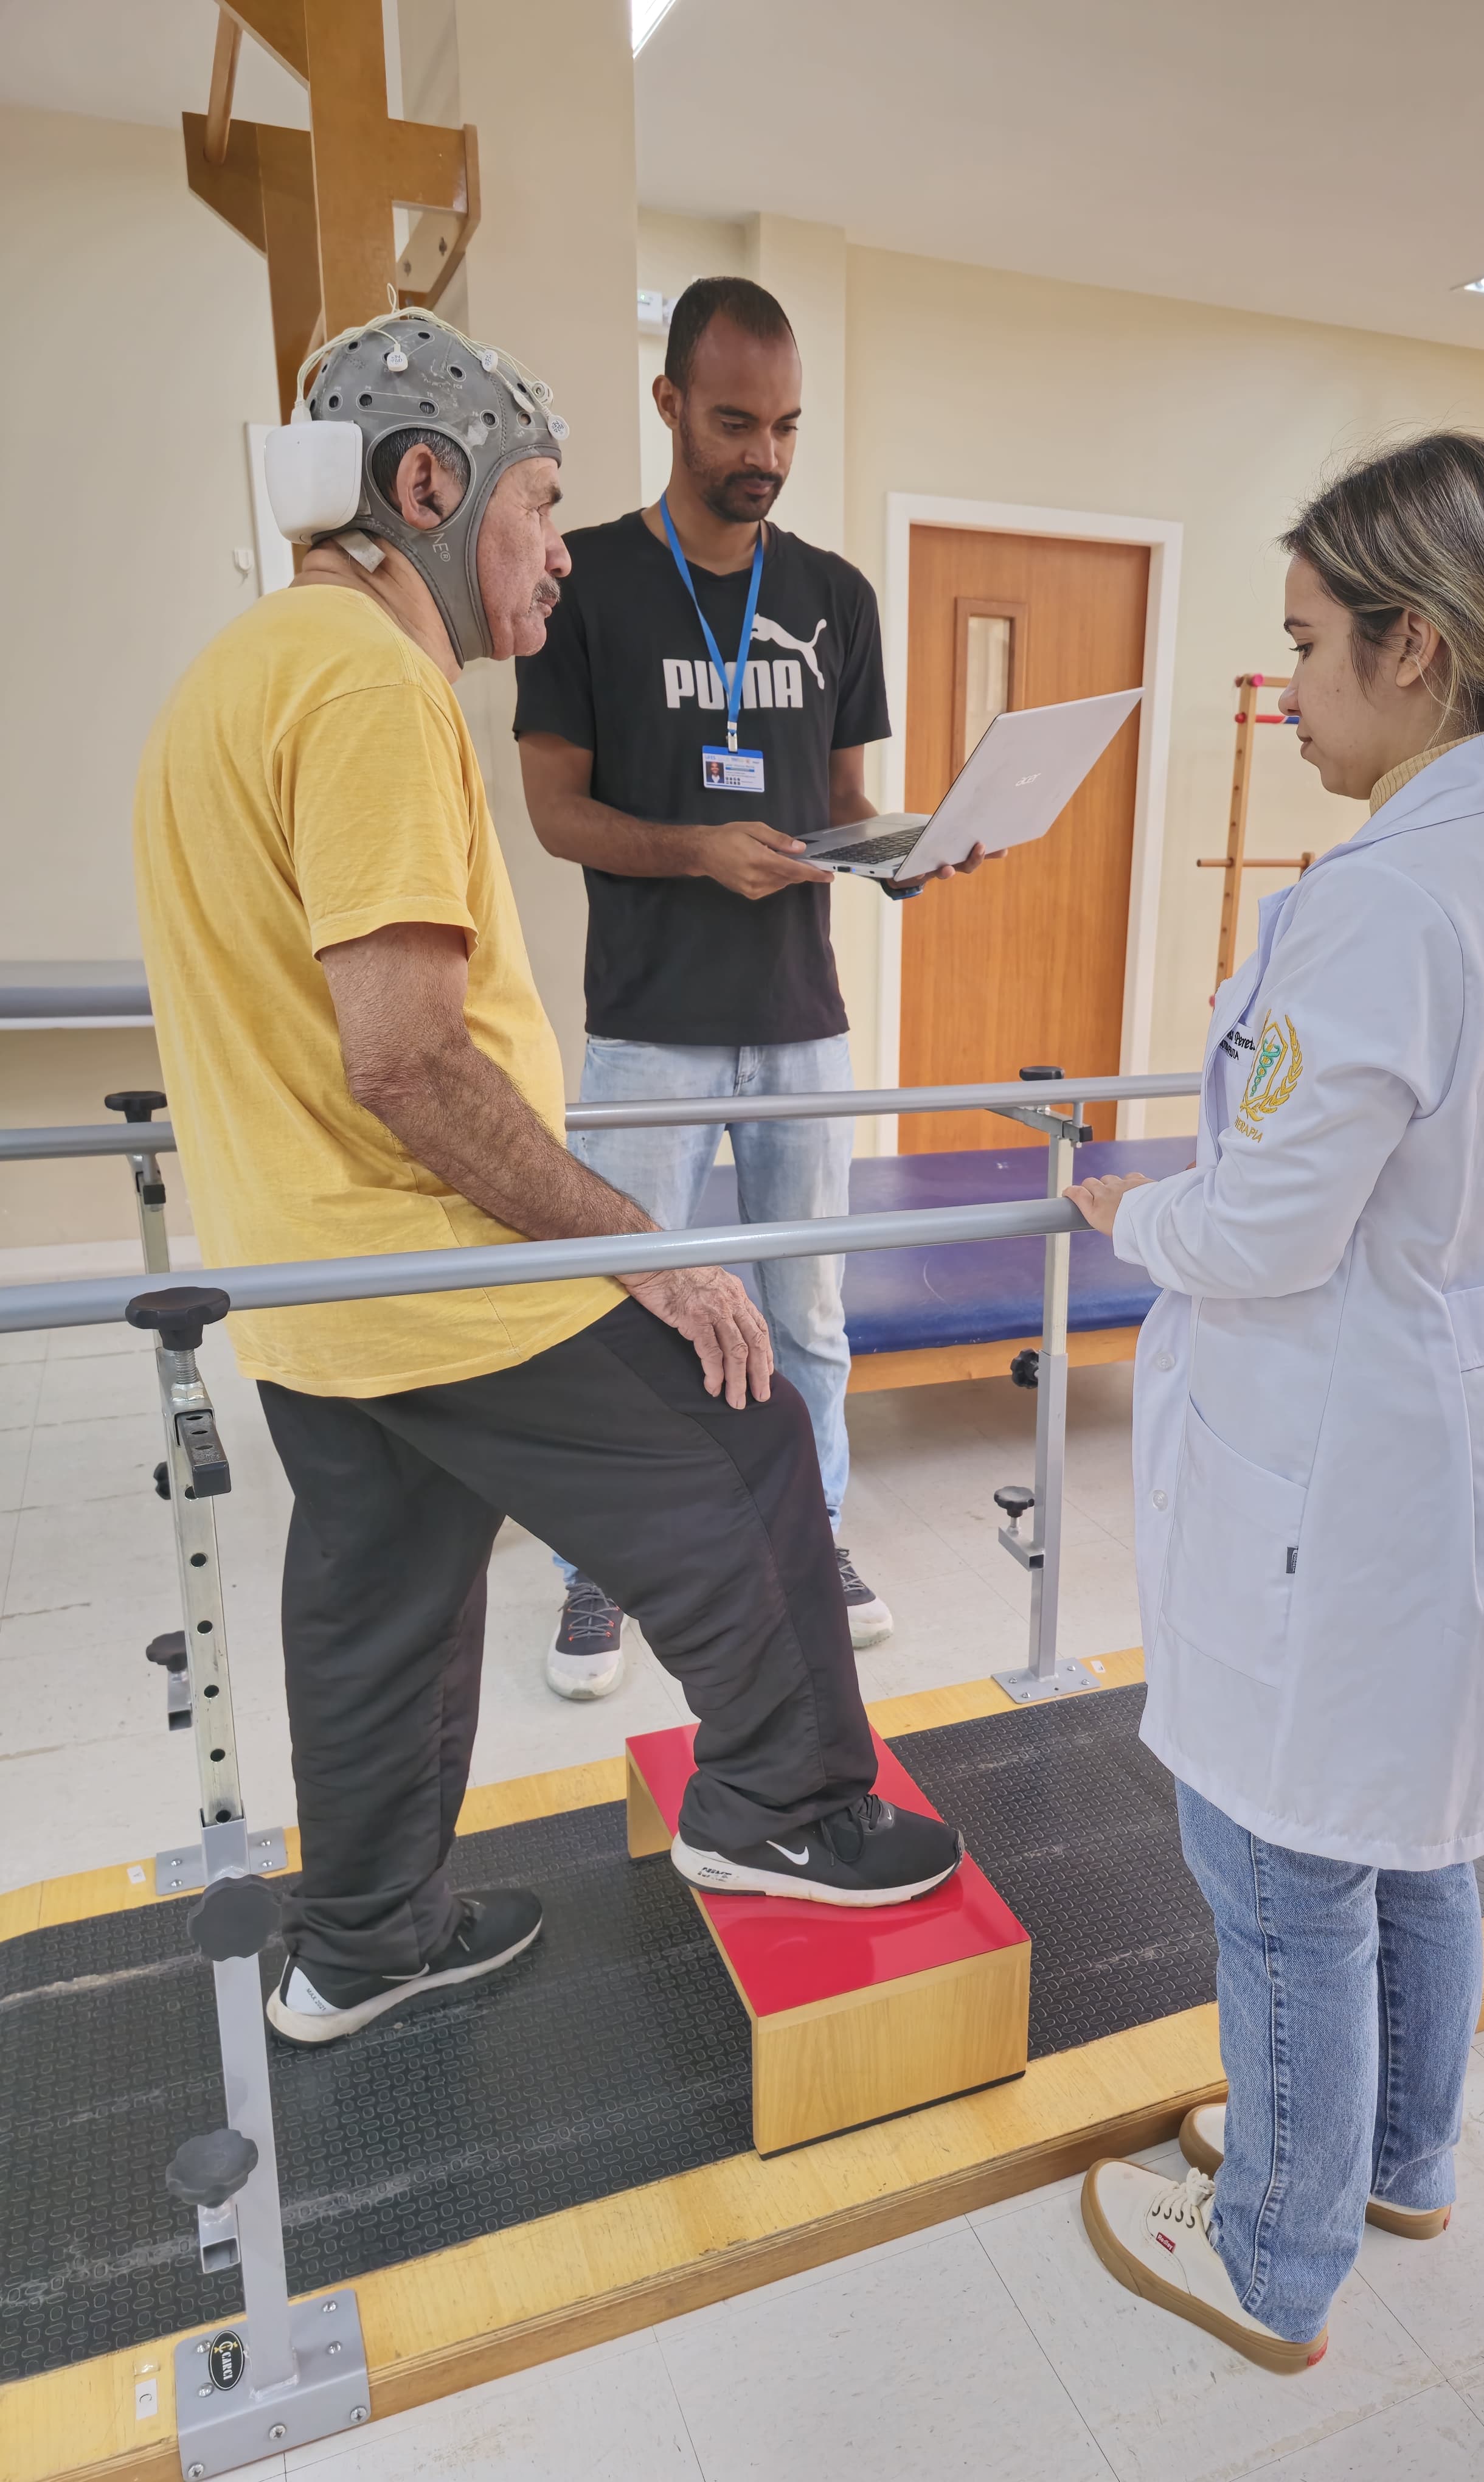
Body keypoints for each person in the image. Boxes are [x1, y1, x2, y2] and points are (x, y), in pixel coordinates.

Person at [132, 310, 962, 2051]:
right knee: (736, 1424)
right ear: (429, 486)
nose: (553, 558)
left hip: (308, 1284)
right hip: (427, 1259)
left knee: (390, 1596)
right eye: (536, 508)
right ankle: (781, 1809)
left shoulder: (241, 667)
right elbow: (410, 1058)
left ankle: (362, 1944)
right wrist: (636, 1246)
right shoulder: (369, 682)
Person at [1065, 434, 1484, 2371]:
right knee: (1415, 1833)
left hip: (1352, 1447)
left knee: (1279, 1857)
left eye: (1305, 644)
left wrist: (1131, 1209)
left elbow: (1273, 1231)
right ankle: (1399, 2158)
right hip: (1458, 1421)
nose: (1288, 686)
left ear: (1405, 647)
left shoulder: (1387, 900)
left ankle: (1274, 2258)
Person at [515, 276, 994, 1700]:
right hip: (649, 1023)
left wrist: (907, 854)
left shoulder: (835, 597)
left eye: (785, 426)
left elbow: (844, 802)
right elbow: (554, 812)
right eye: (735, 421)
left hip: (800, 1023)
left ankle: (813, 1535)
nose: (765, 455)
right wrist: (691, 855)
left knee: (810, 1316)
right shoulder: (586, 581)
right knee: (624, 1312)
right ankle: (600, 1570)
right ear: (669, 405)